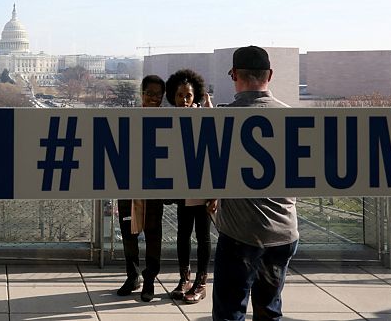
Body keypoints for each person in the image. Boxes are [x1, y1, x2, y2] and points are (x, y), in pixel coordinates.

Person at [207, 45, 299, 321]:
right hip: (283, 232)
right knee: (269, 310)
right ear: (269, 75)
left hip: (241, 235)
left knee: (229, 312)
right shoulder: (294, 119)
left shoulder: (222, 120)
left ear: (234, 74)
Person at [116, 75, 166, 302]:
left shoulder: (169, 121)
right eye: (149, 94)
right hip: (129, 185)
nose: (153, 98)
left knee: (153, 235)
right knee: (128, 233)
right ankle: (132, 276)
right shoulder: (129, 118)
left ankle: (149, 280)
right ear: (142, 94)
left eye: (158, 95)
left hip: (154, 187)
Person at [165, 69, 213, 304]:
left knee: (203, 235)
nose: (184, 100)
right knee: (183, 234)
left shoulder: (205, 116)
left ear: (196, 96)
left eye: (188, 96)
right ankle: (185, 278)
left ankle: (201, 282)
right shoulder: (170, 118)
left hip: (202, 186)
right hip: (183, 186)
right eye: (180, 95)